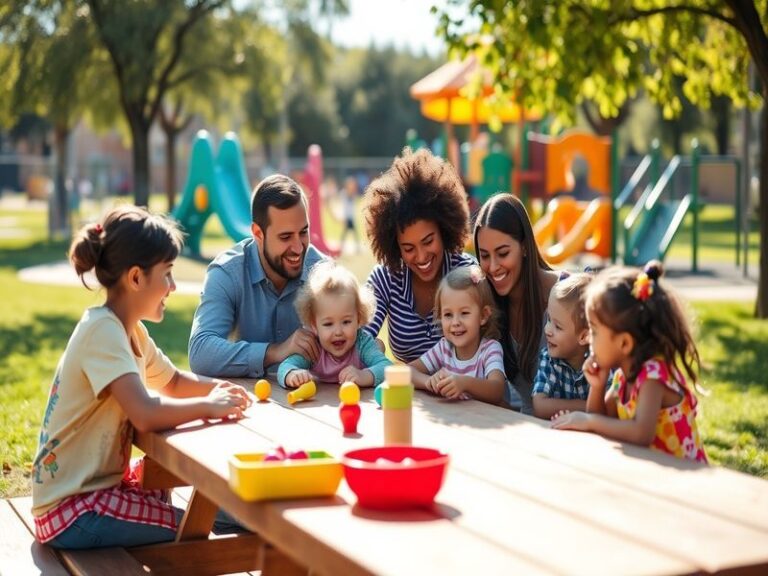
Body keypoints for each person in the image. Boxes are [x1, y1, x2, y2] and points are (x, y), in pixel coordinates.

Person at [32, 206, 252, 549]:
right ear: (135, 278)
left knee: (180, 502)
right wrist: (209, 406)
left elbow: (174, 382)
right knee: (192, 531)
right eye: (167, 274)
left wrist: (222, 389)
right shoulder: (103, 332)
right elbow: (145, 413)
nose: (173, 286)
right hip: (72, 509)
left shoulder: (130, 332)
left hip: (89, 493)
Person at [551, 262, 708, 463]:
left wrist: (589, 422)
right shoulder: (621, 377)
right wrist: (597, 387)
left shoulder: (653, 375)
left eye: (595, 331)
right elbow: (604, 419)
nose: (590, 338)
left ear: (624, 343)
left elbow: (641, 433)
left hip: (688, 479)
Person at [189, 174, 326, 378]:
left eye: (303, 232)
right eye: (286, 237)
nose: (298, 248)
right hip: (248, 403)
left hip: (311, 402)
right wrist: (275, 351)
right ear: (258, 233)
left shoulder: (323, 272)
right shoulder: (227, 273)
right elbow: (201, 352)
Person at [363, 147, 475, 363]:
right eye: (408, 248)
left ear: (444, 230)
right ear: (395, 246)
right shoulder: (385, 278)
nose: (421, 256)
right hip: (407, 392)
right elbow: (361, 339)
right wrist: (374, 350)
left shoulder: (468, 275)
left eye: (428, 241)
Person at [473, 193, 561, 413]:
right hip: (522, 434)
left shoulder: (566, 293)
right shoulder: (487, 306)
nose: (493, 267)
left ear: (523, 246)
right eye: (484, 256)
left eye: (503, 253)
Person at [277, 261, 392, 388]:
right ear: (314, 326)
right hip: (319, 404)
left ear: (359, 319)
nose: (338, 332)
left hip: (357, 404)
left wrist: (363, 375)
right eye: (328, 324)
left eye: (346, 322)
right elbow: (284, 367)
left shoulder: (362, 343)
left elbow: (387, 368)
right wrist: (292, 374)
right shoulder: (314, 347)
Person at [409, 265, 506, 404]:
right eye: (448, 314)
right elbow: (406, 372)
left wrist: (465, 384)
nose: (455, 322)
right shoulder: (444, 348)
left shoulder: (490, 349)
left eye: (464, 313)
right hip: (455, 420)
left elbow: (497, 390)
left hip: (485, 422)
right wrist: (429, 381)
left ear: (483, 315)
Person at [532, 273, 592, 419]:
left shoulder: (600, 362)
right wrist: (585, 406)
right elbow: (539, 406)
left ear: (584, 336)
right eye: (548, 319)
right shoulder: (550, 360)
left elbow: (609, 409)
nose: (547, 330)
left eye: (557, 327)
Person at [338, 175, 360, 253]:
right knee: (345, 233)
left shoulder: (353, 194)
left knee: (355, 233)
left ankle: (357, 247)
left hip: (352, 217)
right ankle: (341, 247)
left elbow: (353, 195)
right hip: (347, 217)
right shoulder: (344, 193)